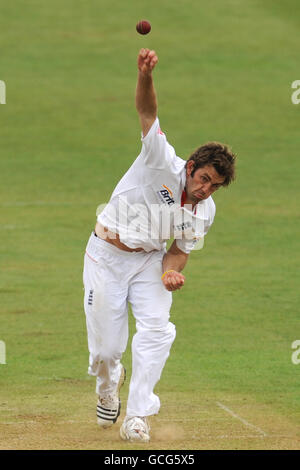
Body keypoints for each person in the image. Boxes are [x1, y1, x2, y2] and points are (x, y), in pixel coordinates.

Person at [83, 48, 236, 442]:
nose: (205, 189)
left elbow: (180, 249)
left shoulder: (205, 211)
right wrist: (145, 76)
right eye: (203, 179)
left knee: (158, 330)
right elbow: (148, 114)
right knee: (106, 350)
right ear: (190, 166)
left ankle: (138, 415)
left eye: (214, 185)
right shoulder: (160, 159)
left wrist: (171, 270)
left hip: (150, 262)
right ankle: (108, 383)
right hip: (105, 256)